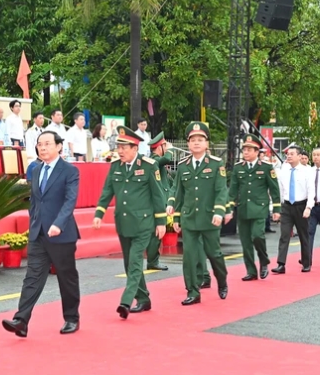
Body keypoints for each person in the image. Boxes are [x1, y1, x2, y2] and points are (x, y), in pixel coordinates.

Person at [2, 131, 81, 337]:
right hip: (38, 234)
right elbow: (35, 202)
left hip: (61, 234)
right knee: (32, 276)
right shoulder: (35, 170)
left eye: (47, 144)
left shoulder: (69, 171)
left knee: (66, 277)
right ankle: (21, 320)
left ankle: (71, 318)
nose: (43, 147)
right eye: (39, 144)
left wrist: (59, 224)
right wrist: (34, 223)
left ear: (59, 147)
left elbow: (69, 201)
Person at [93, 126, 166, 318]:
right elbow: (107, 191)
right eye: (119, 147)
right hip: (124, 224)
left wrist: (161, 222)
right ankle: (144, 299)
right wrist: (99, 214)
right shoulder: (116, 166)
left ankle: (126, 301)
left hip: (143, 224)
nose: (121, 151)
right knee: (128, 264)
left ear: (135, 148)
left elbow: (158, 196)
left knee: (134, 262)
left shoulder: (148, 166)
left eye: (125, 147)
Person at [167, 122, 228, 304]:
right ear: (188, 143)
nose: (196, 143)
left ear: (207, 144)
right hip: (189, 218)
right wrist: (176, 216)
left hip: (210, 218)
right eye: (193, 140)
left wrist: (219, 211)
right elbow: (179, 192)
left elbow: (221, 190)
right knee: (189, 256)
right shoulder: (183, 166)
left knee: (214, 253)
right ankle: (193, 291)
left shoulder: (216, 164)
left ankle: (222, 280)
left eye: (200, 140)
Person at [226, 134, 281, 281]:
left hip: (259, 208)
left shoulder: (266, 167)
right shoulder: (238, 168)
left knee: (257, 235)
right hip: (243, 208)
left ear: (257, 152)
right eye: (244, 149)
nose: (246, 152)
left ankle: (264, 260)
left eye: (249, 150)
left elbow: (274, 189)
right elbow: (233, 190)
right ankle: (251, 270)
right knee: (245, 242)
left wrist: (276, 210)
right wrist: (229, 208)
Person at [273, 145, 315, 274]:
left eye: (292, 154)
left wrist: (308, 207)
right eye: (287, 154)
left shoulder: (307, 171)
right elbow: (280, 190)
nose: (289, 156)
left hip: (301, 206)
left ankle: (306, 262)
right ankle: (281, 264)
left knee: (304, 236)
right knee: (284, 235)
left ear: (299, 156)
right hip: (286, 206)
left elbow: (311, 190)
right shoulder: (283, 170)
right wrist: (278, 207)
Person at [146, 131, 173, 271]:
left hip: (162, 198)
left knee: (157, 232)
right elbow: (167, 159)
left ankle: (154, 260)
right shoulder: (154, 160)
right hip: (156, 202)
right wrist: (169, 150)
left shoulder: (156, 161)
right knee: (155, 233)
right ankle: (152, 261)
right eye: (164, 146)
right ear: (160, 147)